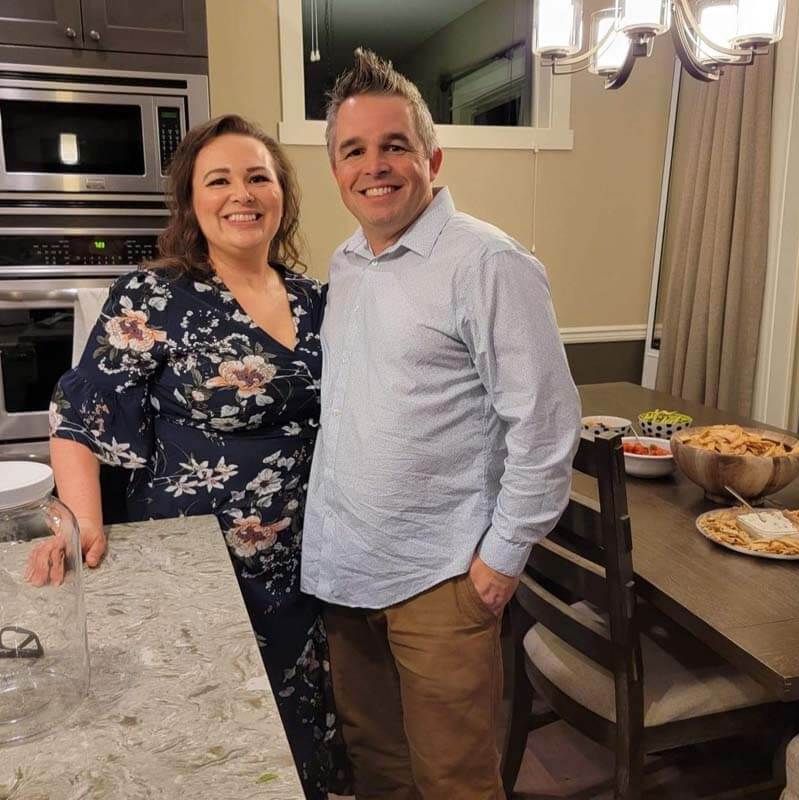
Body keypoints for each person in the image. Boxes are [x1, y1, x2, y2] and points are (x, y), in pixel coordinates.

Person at [26, 114, 350, 799]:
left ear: (282, 194)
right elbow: (78, 418)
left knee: (293, 746)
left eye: (258, 176)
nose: (242, 193)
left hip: (307, 568)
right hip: (199, 563)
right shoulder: (152, 296)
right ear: (191, 200)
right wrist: (83, 522)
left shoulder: (317, 300)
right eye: (220, 179)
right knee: (210, 742)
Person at [301, 50, 581, 800]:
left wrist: (501, 557)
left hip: (441, 575)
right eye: (353, 150)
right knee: (380, 765)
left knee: (455, 779)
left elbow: (548, 427)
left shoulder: (487, 262)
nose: (375, 165)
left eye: (395, 144)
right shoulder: (350, 262)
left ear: (432, 155)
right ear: (336, 171)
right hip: (348, 571)